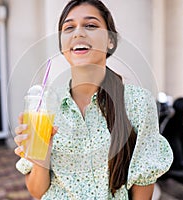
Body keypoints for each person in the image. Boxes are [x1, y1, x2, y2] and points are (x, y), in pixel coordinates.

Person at [14, 0, 173, 199]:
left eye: (90, 25)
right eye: (69, 27)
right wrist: (41, 157)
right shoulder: (44, 107)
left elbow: (143, 188)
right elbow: (37, 191)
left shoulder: (138, 103)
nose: (78, 33)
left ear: (110, 41)